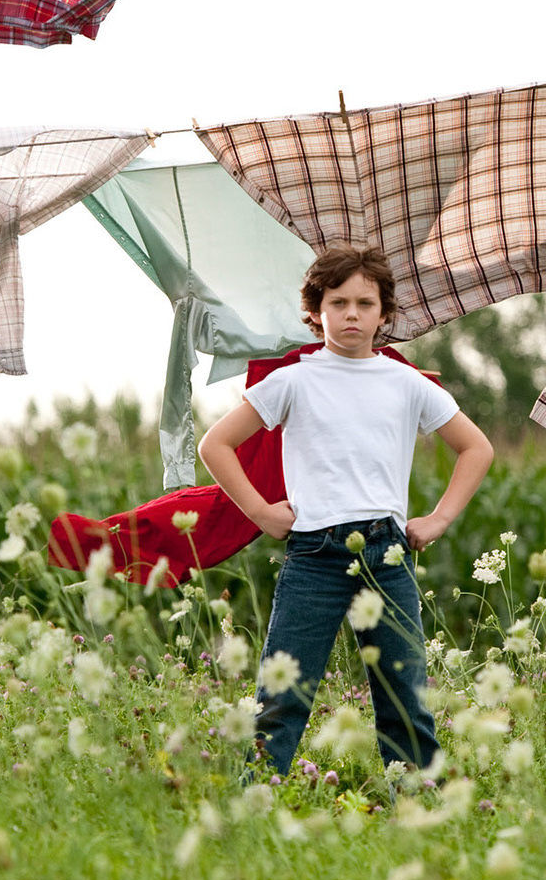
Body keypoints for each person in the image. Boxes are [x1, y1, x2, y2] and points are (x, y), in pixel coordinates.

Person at [197, 242, 493, 780]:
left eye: (364, 303)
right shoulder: (293, 379)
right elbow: (215, 444)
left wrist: (438, 519)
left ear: (384, 313)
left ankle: (418, 807)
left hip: (388, 554)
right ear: (316, 312)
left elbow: (476, 448)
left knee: (405, 698)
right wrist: (261, 512)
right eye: (338, 303)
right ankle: (254, 802)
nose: (351, 314)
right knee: (282, 696)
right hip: (314, 555)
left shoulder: (407, 383)